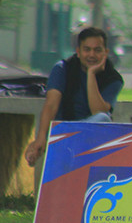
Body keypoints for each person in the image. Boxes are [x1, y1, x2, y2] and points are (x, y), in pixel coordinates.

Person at [24, 27, 124, 167]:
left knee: (103, 118)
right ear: (78, 51)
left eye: (97, 50)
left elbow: (98, 111)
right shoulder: (62, 69)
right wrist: (40, 138)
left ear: (106, 53)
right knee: (102, 118)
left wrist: (91, 75)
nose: (92, 54)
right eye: (87, 49)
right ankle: (71, 140)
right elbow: (51, 104)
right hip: (63, 131)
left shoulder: (113, 79)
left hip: (92, 138)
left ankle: (74, 139)